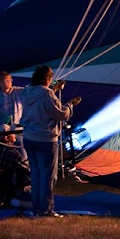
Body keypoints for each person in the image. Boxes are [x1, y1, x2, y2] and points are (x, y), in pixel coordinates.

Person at [19, 65, 80, 218]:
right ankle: (46, 210)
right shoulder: (47, 95)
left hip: (29, 138)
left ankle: (37, 208)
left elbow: (42, 99)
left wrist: (54, 89)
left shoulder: (27, 92)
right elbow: (59, 114)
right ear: (48, 79)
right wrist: (71, 105)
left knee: (36, 174)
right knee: (47, 176)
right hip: (45, 140)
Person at [0, 71, 24, 159]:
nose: (8, 82)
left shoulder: (18, 91)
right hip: (5, 135)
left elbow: (32, 92)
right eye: (5, 81)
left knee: (23, 155)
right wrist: (0, 122)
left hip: (18, 131)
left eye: (9, 80)